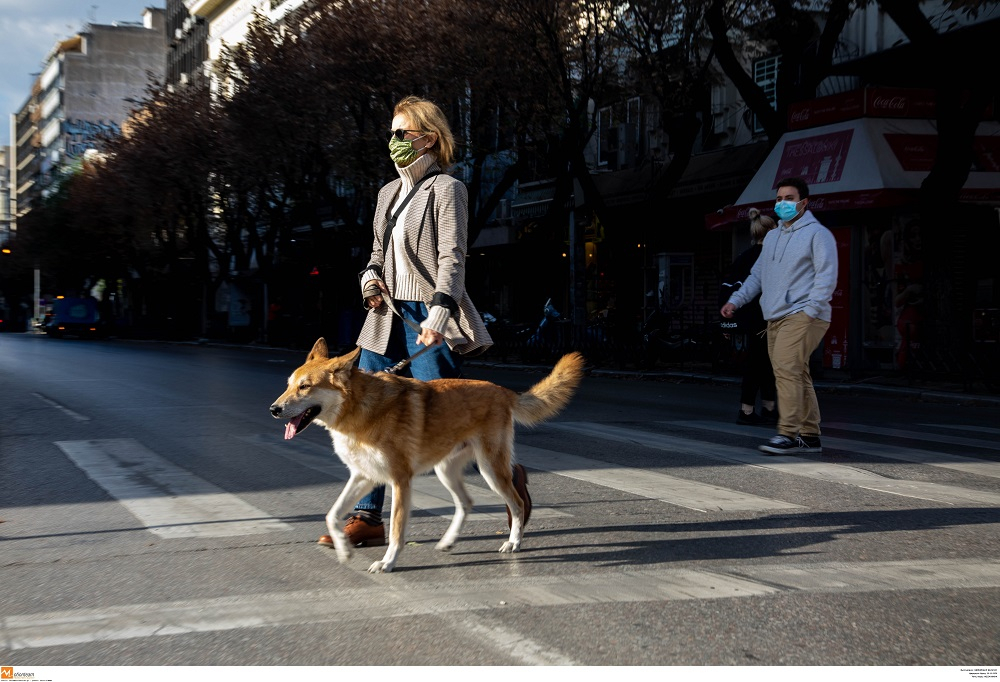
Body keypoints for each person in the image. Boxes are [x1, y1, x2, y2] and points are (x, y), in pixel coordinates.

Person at [319, 95, 531, 548]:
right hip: (384, 316)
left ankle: (509, 476)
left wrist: (438, 312)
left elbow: (452, 256)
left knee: (445, 414)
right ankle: (368, 518)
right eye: (390, 133)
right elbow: (376, 255)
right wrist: (370, 281)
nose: (392, 141)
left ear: (428, 138)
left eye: (401, 133)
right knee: (367, 414)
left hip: (427, 315)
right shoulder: (386, 194)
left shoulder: (446, 189)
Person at [720, 177, 838, 455]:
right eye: (779, 198)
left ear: (804, 202)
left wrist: (811, 309)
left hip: (805, 314)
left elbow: (827, 276)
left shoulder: (817, 234)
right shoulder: (772, 237)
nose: (782, 203)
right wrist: (735, 300)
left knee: (785, 369)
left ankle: (787, 432)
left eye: (789, 198)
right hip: (775, 316)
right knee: (796, 372)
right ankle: (810, 436)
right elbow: (757, 277)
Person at [720, 208, 778, 425]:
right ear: (772, 231)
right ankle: (754, 409)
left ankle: (761, 408)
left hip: (749, 317)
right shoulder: (770, 256)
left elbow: (732, 285)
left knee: (760, 361)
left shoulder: (744, 257)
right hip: (767, 316)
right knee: (765, 363)